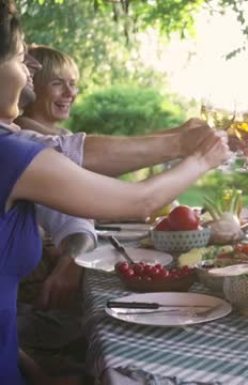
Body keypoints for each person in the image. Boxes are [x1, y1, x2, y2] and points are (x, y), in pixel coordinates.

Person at [0, 6, 230, 384]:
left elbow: (77, 152)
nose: (29, 69)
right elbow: (138, 201)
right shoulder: (9, 152)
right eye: (18, 56)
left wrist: (33, 370)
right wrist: (201, 158)